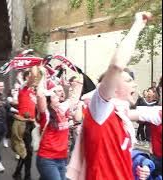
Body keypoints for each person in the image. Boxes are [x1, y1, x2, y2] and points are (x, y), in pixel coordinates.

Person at [82, 12, 152, 180]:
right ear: (112, 88)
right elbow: (116, 65)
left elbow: (122, 154)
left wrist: (141, 166)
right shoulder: (101, 111)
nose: (134, 84)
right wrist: (137, 25)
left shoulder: (122, 115)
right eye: (128, 80)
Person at [36, 70, 83, 180]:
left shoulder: (62, 109)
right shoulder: (45, 114)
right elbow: (39, 94)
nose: (59, 94)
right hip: (48, 159)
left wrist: (79, 77)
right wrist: (43, 75)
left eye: (60, 92)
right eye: (55, 93)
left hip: (62, 159)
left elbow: (74, 97)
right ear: (49, 99)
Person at [11, 69, 36, 180]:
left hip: (31, 124)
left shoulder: (32, 92)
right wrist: (34, 68)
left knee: (27, 152)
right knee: (28, 152)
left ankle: (17, 172)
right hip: (23, 124)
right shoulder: (23, 88)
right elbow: (33, 77)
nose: (33, 78)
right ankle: (27, 176)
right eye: (30, 76)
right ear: (26, 78)